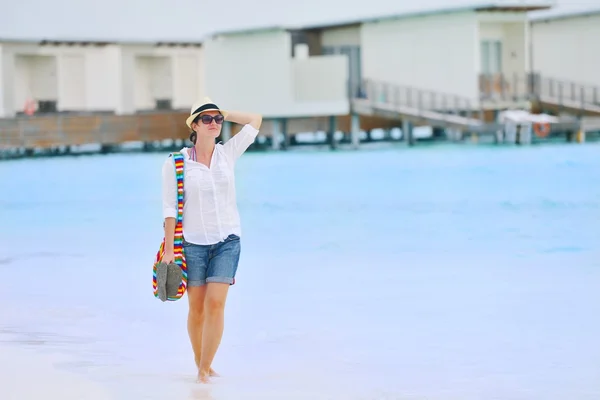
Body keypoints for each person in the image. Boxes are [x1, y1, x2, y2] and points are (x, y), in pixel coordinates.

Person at [160, 97, 262, 383]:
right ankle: (201, 362)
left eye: (217, 119)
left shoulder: (227, 154)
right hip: (192, 245)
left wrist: (227, 113)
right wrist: (169, 249)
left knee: (216, 304)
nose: (214, 123)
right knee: (197, 309)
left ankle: (204, 370)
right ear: (194, 125)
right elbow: (169, 208)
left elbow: (256, 119)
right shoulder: (176, 163)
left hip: (227, 241)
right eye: (207, 119)